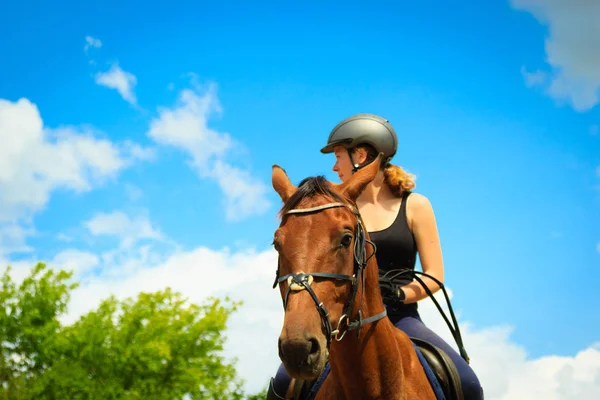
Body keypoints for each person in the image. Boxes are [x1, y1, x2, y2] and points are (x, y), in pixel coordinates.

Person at [267, 113, 483, 400]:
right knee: (283, 383)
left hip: (400, 316)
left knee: (468, 383)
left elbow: (434, 276)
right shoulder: (336, 211)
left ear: (361, 155)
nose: (334, 166)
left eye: (338, 156)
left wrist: (399, 294)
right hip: (345, 320)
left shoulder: (415, 206)